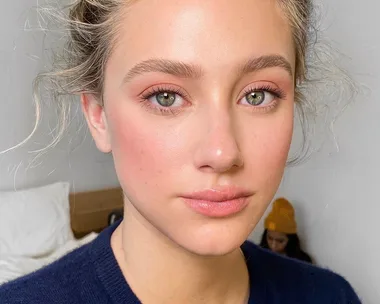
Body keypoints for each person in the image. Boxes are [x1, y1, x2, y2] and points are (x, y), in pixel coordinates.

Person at [0, 0, 361, 303]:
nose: (222, 153)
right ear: (98, 116)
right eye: (165, 97)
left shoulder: (332, 296)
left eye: (258, 95)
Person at [260, 198, 313, 263]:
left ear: (290, 240)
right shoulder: (257, 254)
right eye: (270, 238)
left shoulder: (302, 261)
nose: (273, 245)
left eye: (280, 241)